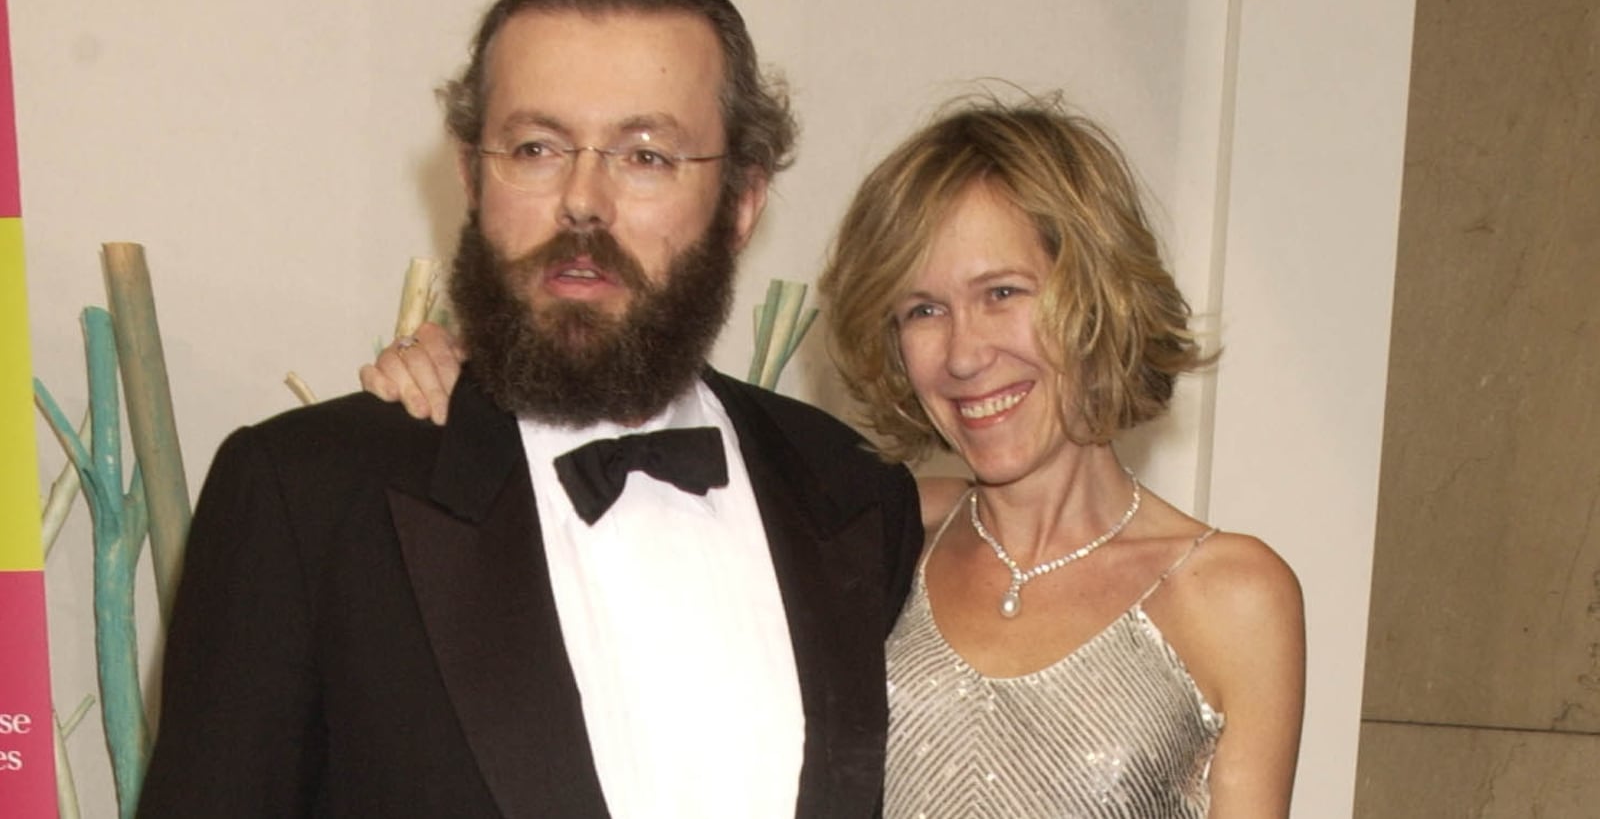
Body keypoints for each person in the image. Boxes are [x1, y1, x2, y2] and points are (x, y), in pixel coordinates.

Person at [138, 0, 922, 819]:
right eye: (536, 147)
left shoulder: (856, 493)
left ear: (741, 202)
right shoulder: (307, 499)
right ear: (472, 178)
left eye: (647, 155)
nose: (583, 202)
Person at [371, 96, 1306, 816]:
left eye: (1003, 292)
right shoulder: (879, 523)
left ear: (1098, 295)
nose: (965, 353)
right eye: (922, 310)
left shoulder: (1228, 593)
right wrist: (473, 386)